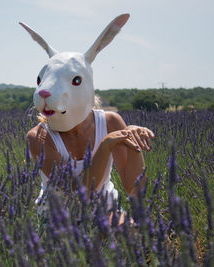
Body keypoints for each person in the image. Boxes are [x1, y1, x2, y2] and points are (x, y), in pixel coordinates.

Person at [21, 14, 155, 224]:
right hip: (60, 217)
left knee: (131, 233)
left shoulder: (110, 122)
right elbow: (78, 197)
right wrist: (105, 146)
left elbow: (135, 191)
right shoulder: (38, 137)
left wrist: (134, 141)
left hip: (105, 209)